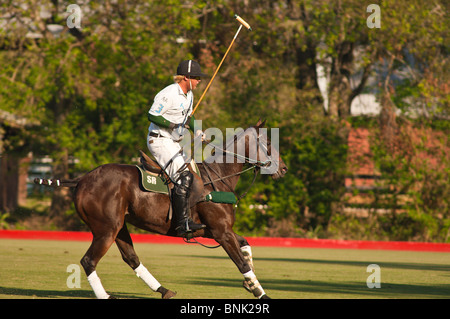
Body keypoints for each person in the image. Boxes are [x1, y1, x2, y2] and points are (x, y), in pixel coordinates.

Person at [147, 60, 207, 237]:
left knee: (193, 174)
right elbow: (151, 114)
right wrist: (173, 125)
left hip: (173, 142)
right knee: (183, 176)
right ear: (186, 78)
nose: (199, 81)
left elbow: (189, 115)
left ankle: (186, 218)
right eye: (196, 78)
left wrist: (197, 129)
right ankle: (182, 224)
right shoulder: (169, 93)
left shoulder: (189, 95)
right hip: (159, 140)